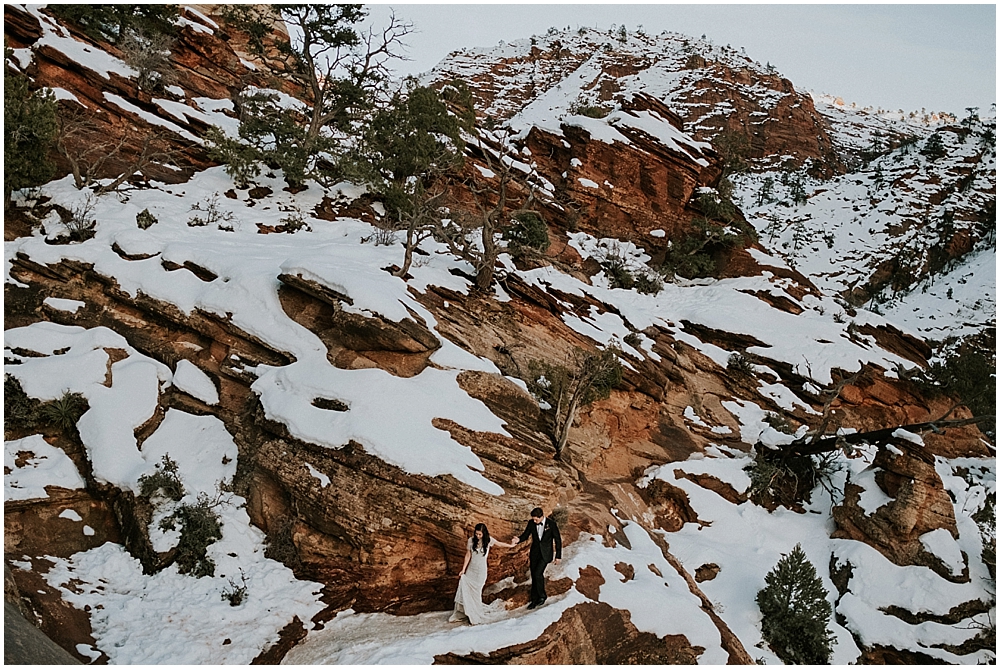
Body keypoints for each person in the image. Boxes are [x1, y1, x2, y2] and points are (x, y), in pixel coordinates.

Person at [449, 523, 515, 625]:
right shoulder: (471, 540)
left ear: (484, 533)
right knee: (467, 590)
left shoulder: (488, 540)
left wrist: (510, 545)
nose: (478, 536)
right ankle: (466, 613)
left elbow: (499, 543)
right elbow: (468, 555)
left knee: (476, 593)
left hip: (481, 571)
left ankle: (475, 614)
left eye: (480, 534)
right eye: (477, 534)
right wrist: (463, 569)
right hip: (471, 570)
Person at [512, 507, 561, 609]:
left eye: (536, 520)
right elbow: (526, 535)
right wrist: (518, 539)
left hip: (546, 554)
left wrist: (558, 556)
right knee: (534, 575)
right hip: (534, 553)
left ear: (541, 516)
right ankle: (534, 599)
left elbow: (557, 540)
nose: (534, 521)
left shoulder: (551, 524)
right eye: (533, 519)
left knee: (538, 573)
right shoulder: (531, 523)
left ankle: (542, 596)